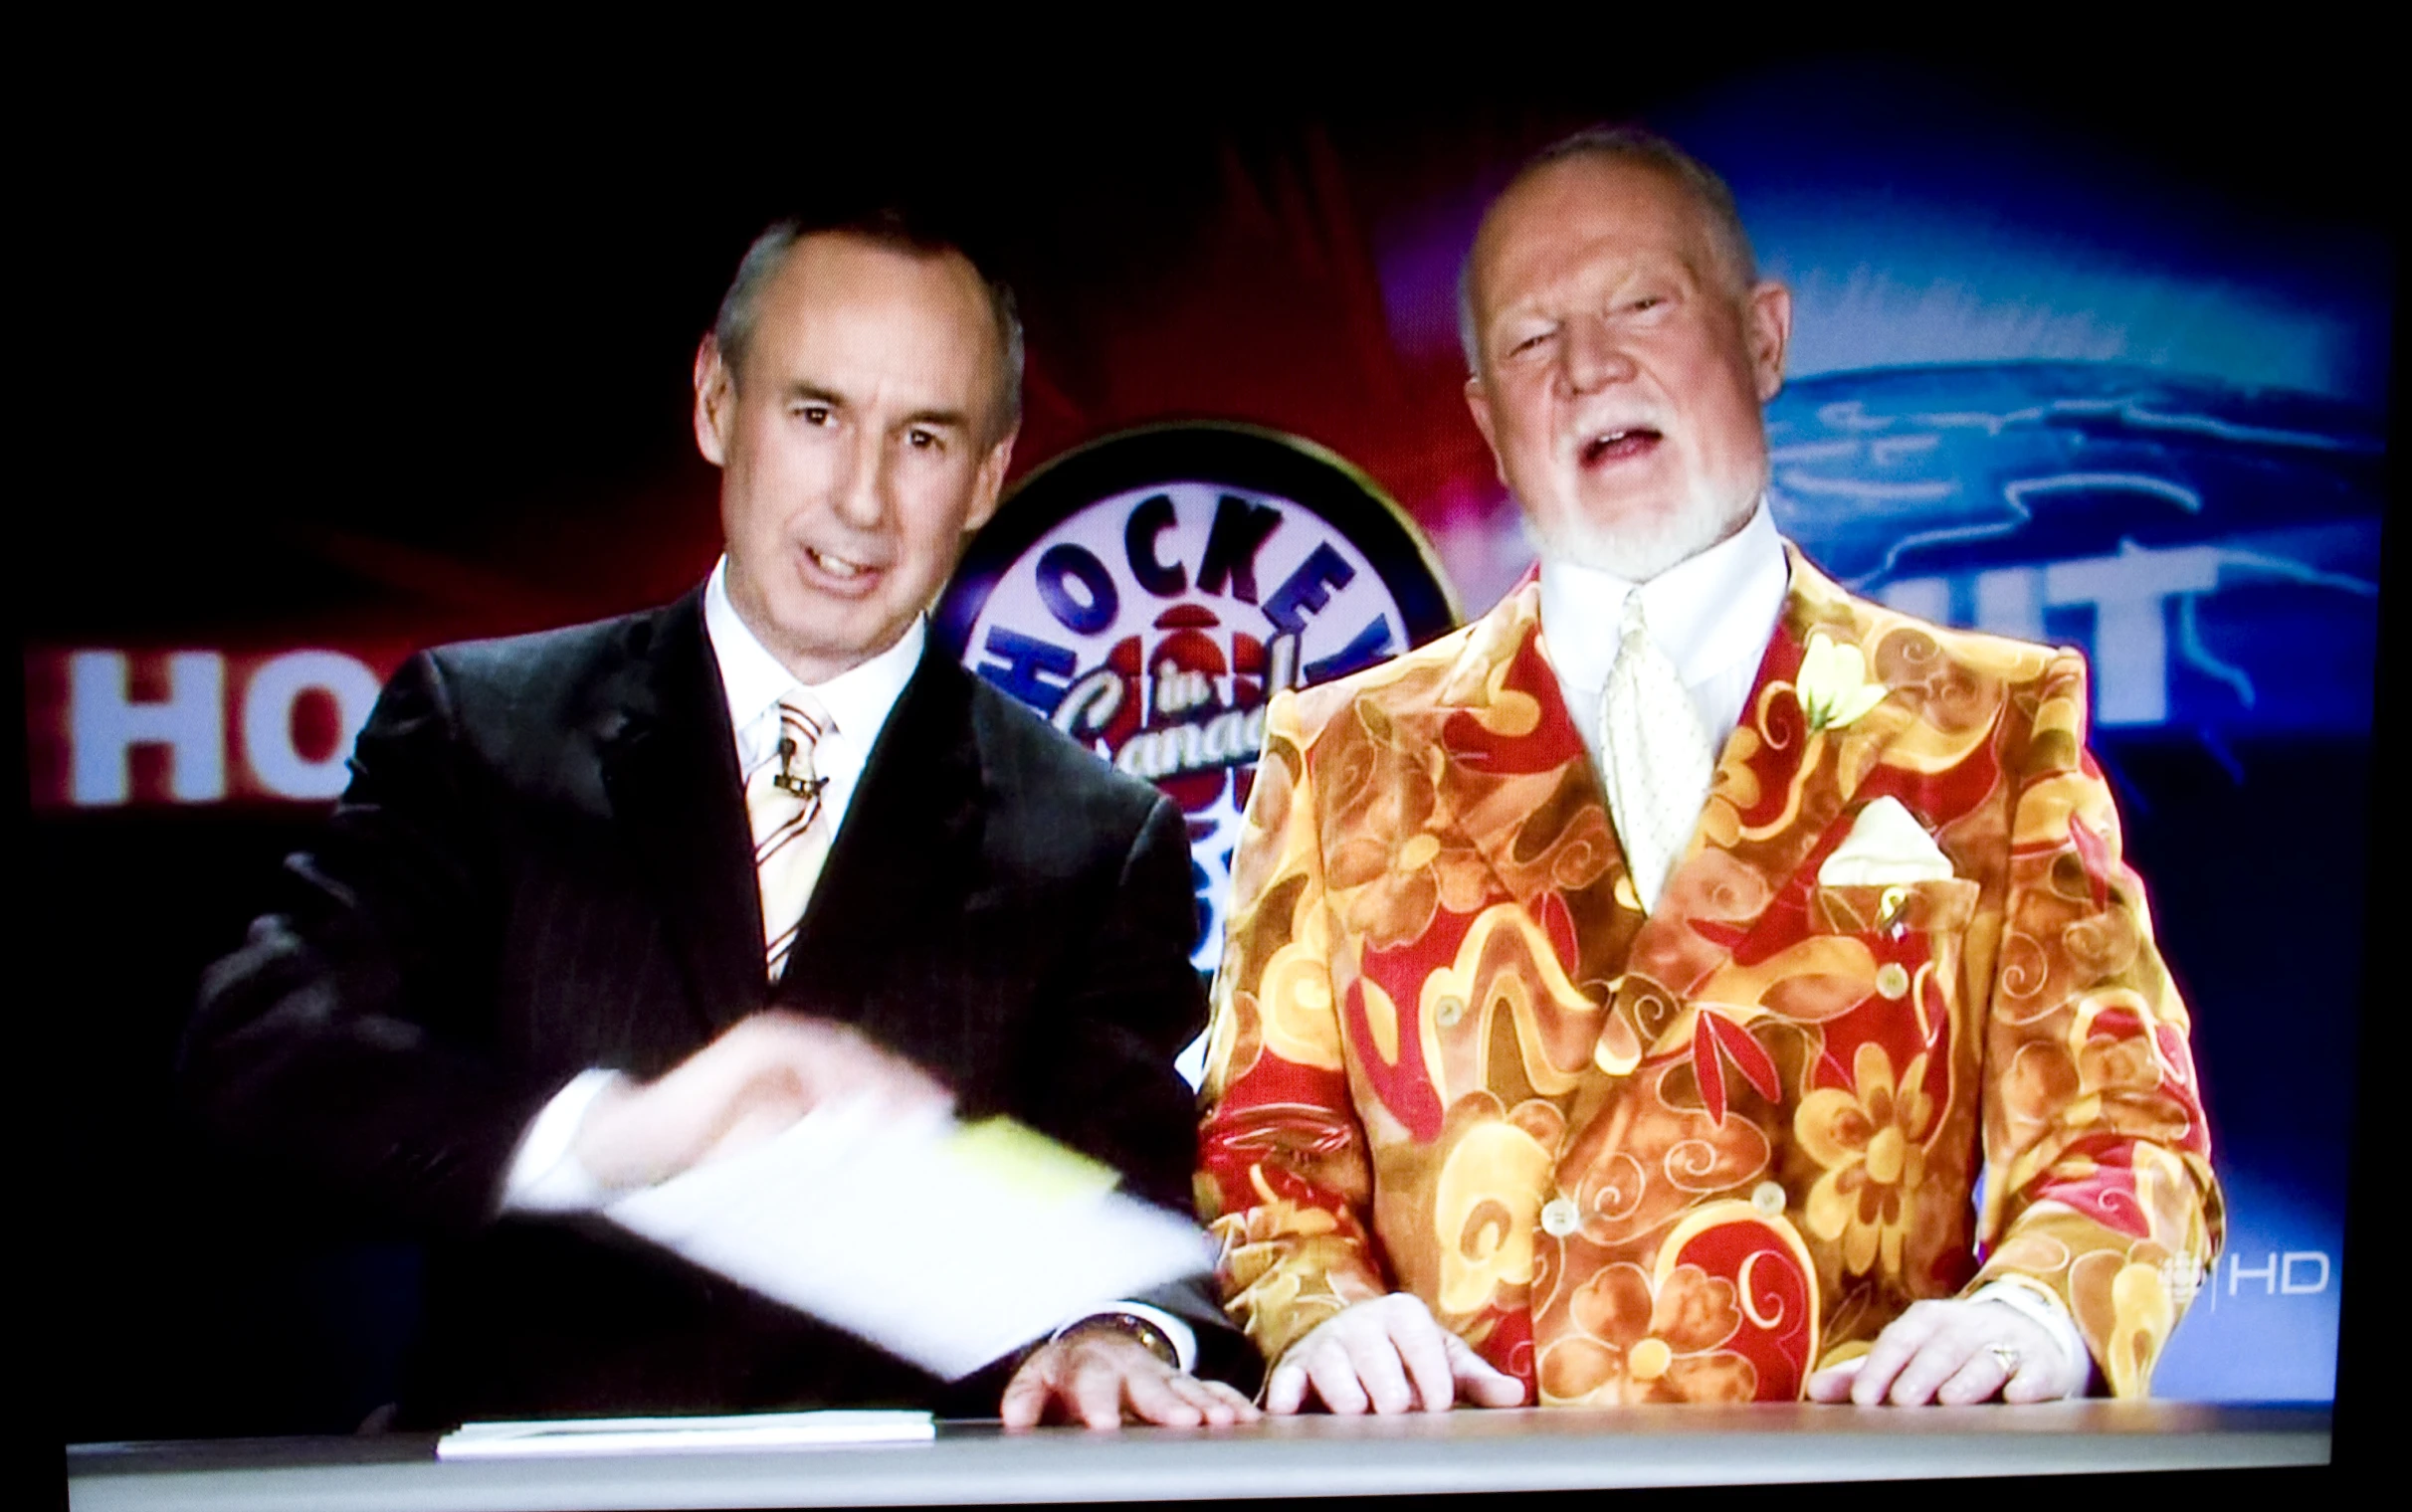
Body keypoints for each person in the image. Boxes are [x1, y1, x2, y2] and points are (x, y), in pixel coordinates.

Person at [1195, 129, 2221, 1414]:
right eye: (1530, 340)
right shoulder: (1341, 752)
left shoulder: (1991, 728)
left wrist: (2039, 1309)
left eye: (1641, 303)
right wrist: (1323, 1317)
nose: (1588, 368)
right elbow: (1265, 1158)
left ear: (1765, 338)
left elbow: (2123, 1129)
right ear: (1486, 423)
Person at [184, 210, 1260, 1431]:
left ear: (988, 473)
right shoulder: (483, 731)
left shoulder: (1093, 836)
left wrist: (1117, 1331)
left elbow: (1152, 1204)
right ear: (713, 403)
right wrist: (615, 1133)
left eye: (922, 436)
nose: (861, 500)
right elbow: (256, 1057)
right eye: (816, 415)